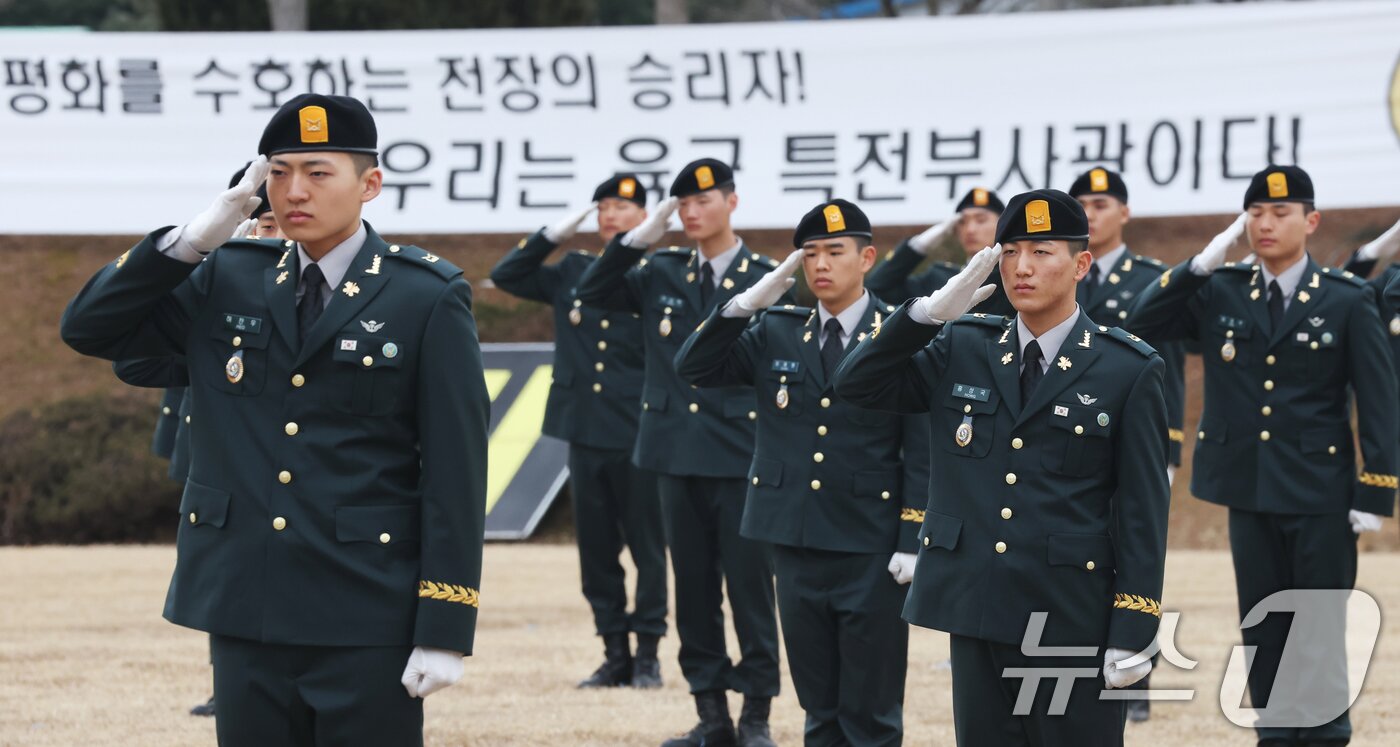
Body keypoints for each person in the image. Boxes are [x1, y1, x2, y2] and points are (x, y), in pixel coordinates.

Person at [60, 93, 490, 746]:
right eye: (279, 173)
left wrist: (444, 626)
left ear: (369, 184)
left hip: (365, 610)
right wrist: (196, 237)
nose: (295, 191)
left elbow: (456, 472)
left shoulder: (424, 296)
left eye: (318, 173)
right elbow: (90, 327)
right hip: (245, 605)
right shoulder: (225, 276)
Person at [835, 189, 1170, 746]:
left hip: (1068, 613)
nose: (1021, 267)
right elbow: (856, 383)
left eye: (1042, 252)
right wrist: (925, 315)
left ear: (1081, 264)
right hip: (976, 604)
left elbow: (1141, 510)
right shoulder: (962, 344)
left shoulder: (1125, 368)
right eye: (1010, 250)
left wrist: (1134, 627)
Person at [1125, 165, 1398, 747]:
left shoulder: (1346, 300)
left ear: (1311, 221)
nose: (1266, 224)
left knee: (1318, 626)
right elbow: (1145, 321)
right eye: (1255, 214)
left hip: (1322, 493)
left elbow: (1379, 399)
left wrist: (1375, 488)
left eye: (1280, 213)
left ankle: (1324, 733)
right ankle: (1275, 733)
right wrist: (1200, 264)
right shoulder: (1221, 290)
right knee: (1264, 624)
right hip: (1247, 490)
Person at [675, 198, 920, 746]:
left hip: (871, 543)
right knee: (819, 702)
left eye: (835, 251)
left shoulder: (897, 334)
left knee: (872, 705)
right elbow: (694, 367)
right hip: (794, 537)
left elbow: (920, 449)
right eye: (809, 254)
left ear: (868, 258)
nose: (820, 265)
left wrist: (912, 535)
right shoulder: (778, 330)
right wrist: (740, 307)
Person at [575, 158, 786, 747]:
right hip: (673, 456)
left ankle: (757, 716)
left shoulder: (764, 277)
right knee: (693, 593)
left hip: (741, 457)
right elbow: (592, 290)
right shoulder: (660, 269)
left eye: (703, 201)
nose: (691, 213)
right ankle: (711, 714)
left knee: (749, 594)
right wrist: (639, 237)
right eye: (681, 205)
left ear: (732, 202)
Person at [489, 174, 668, 689]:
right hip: (586, 430)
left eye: (623, 206)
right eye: (603, 206)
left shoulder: (656, 274)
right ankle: (614, 651)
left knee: (648, 550)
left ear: (643, 217)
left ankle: (649, 654)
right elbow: (508, 274)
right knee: (596, 552)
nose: (610, 214)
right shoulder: (573, 269)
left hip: (638, 431)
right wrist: (554, 233)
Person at [865, 186, 1013, 315]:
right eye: (962, 222)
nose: (970, 229)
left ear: (1002, 224)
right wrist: (920, 244)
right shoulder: (938, 277)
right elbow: (877, 289)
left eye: (981, 220)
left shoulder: (1011, 275)